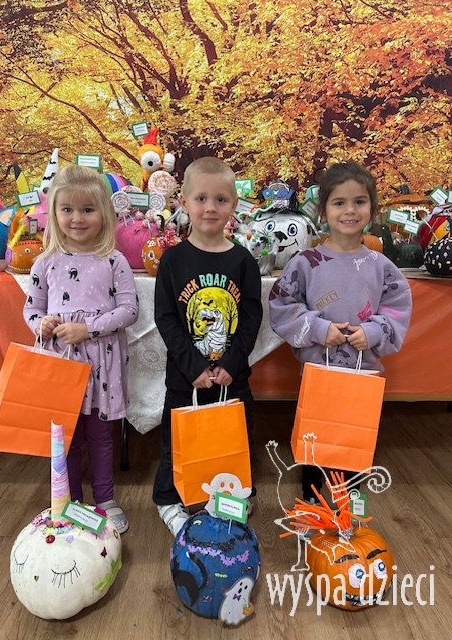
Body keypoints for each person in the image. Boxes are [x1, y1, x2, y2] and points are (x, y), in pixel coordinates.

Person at [269, 160, 412, 503]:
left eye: (359, 201)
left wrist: (374, 332)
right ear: (323, 211)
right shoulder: (305, 263)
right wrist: (319, 328)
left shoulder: (381, 266)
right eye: (339, 202)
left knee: (354, 440)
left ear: (372, 209)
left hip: (363, 374)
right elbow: (282, 306)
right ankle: (311, 500)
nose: (350, 210)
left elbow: (397, 308)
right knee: (315, 438)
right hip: (318, 373)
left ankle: (350, 503)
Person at [23, 164, 139, 534]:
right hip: (61, 365)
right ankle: (68, 500)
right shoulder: (45, 263)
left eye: (87, 209)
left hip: (102, 364)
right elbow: (31, 309)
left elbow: (129, 310)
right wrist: (41, 324)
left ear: (103, 213)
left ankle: (105, 498)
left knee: (100, 436)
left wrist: (88, 329)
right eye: (68, 209)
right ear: (54, 213)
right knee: (66, 438)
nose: (77, 218)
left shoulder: (114, 261)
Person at [153, 156, 263, 535]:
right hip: (185, 379)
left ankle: (235, 494)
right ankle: (168, 500)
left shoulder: (243, 261)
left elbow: (250, 318)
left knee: (234, 438)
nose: (210, 208)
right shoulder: (172, 261)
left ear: (234, 205)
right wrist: (193, 366)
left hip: (233, 378)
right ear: (183, 203)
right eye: (201, 199)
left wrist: (232, 363)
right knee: (178, 443)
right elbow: (166, 318)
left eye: (220, 199)